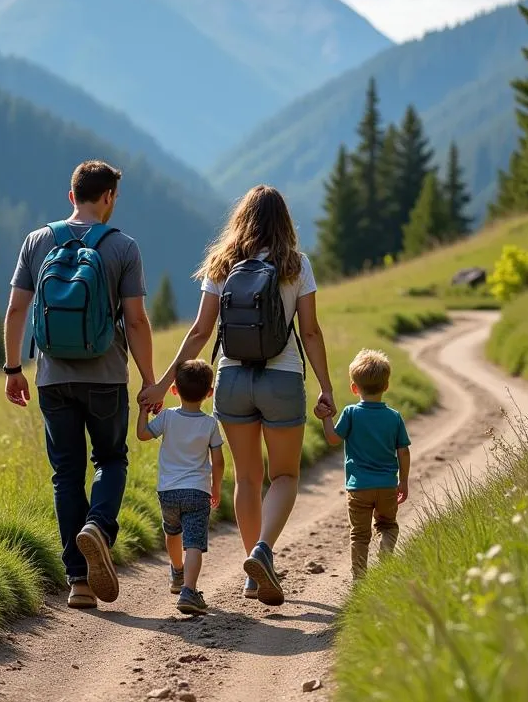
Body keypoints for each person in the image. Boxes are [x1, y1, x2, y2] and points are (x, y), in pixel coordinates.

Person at [140, 185, 335, 606]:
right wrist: (326, 385)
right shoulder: (296, 264)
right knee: (283, 476)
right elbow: (311, 331)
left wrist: (161, 383)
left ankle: (252, 570)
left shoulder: (223, 263)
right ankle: (263, 552)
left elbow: (199, 333)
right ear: (284, 221)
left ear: (241, 220)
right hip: (281, 379)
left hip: (229, 379)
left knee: (246, 478)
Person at [3, 160, 156, 610]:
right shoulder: (122, 247)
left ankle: (79, 582)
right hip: (106, 378)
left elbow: (16, 310)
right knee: (111, 458)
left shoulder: (37, 241)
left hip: (53, 380)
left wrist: (13, 369)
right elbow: (136, 320)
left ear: (72, 196)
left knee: (66, 474)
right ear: (108, 197)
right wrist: (150, 380)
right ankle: (99, 527)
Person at [136, 359, 225, 616]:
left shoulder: (166, 417)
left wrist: (144, 409)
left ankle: (177, 572)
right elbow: (218, 461)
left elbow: (142, 434)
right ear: (209, 393)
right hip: (197, 491)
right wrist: (216, 487)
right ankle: (189, 591)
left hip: (168, 491)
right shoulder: (210, 424)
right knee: (194, 543)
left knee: (172, 531)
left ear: (174, 389)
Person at [319, 349, 411, 579]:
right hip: (387, 486)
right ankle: (386, 556)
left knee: (359, 535)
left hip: (358, 487)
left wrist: (325, 418)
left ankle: (360, 580)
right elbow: (404, 451)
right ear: (386, 385)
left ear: (354, 387)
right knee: (387, 525)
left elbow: (332, 439)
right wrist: (404, 481)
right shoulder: (394, 417)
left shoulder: (351, 413)